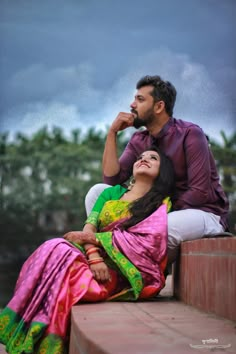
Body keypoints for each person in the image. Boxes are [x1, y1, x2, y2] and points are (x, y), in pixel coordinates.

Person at [0, 147, 175, 354]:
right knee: (54, 246)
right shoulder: (111, 193)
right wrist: (93, 257)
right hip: (94, 262)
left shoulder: (161, 203)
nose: (144, 159)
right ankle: (29, 328)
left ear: (162, 171)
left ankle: (47, 341)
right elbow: (89, 227)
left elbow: (145, 243)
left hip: (123, 272)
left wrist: (89, 239)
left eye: (153, 158)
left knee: (68, 272)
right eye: (140, 157)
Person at [85, 75, 229, 263]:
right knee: (97, 192)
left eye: (140, 99)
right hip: (149, 211)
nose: (132, 105)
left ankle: (139, 274)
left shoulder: (190, 133)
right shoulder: (139, 140)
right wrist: (112, 133)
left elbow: (199, 193)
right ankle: (107, 261)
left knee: (161, 227)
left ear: (159, 106)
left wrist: (147, 215)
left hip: (202, 212)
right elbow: (112, 180)